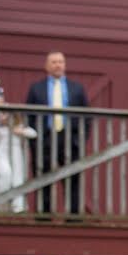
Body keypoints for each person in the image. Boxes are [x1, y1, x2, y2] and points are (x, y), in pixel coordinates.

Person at [25, 51, 89, 215]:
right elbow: (29, 115)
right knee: (43, 177)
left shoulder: (77, 88)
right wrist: (34, 137)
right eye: (53, 62)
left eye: (61, 62)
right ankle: (43, 215)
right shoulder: (36, 88)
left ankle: (73, 217)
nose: (58, 65)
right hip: (44, 138)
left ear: (65, 65)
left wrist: (81, 138)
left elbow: (86, 116)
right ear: (46, 66)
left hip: (70, 138)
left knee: (73, 178)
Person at [0, 112, 37, 213]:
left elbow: (33, 133)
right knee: (4, 174)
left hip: (15, 155)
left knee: (17, 178)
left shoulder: (18, 127)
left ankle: (18, 206)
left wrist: (21, 131)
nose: (2, 117)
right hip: (0, 154)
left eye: (4, 114)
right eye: (1, 114)